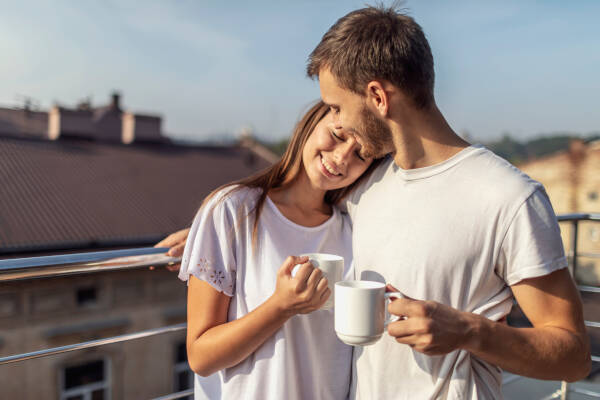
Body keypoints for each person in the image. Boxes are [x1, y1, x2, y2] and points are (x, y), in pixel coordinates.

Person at [303, 5, 591, 399]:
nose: (335, 123)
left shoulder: (510, 198)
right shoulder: (364, 184)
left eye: (337, 107)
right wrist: (207, 230)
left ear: (377, 97)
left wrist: (470, 332)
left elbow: (573, 356)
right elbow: (292, 210)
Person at [176, 100, 383, 400]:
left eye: (361, 154)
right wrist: (281, 306)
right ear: (311, 122)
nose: (341, 158)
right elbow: (200, 357)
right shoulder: (232, 211)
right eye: (338, 136)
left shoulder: (351, 231)